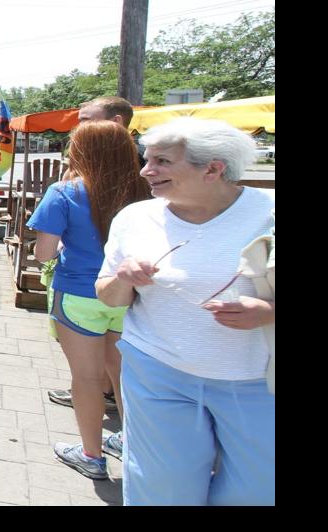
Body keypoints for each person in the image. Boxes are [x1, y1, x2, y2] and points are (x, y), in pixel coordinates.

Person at [96, 118, 275, 505]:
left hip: (257, 382)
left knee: (256, 491)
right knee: (162, 491)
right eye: (147, 159)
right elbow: (108, 297)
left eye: (162, 161)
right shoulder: (136, 218)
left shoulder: (269, 215)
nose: (146, 170)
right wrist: (124, 278)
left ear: (213, 169)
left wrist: (268, 312)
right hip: (158, 372)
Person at [28, 120, 149, 480]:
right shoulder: (146, 191)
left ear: (79, 151)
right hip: (130, 297)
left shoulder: (64, 192)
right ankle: (130, 442)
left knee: (86, 378)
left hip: (79, 295)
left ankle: (91, 455)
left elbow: (43, 254)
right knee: (124, 375)